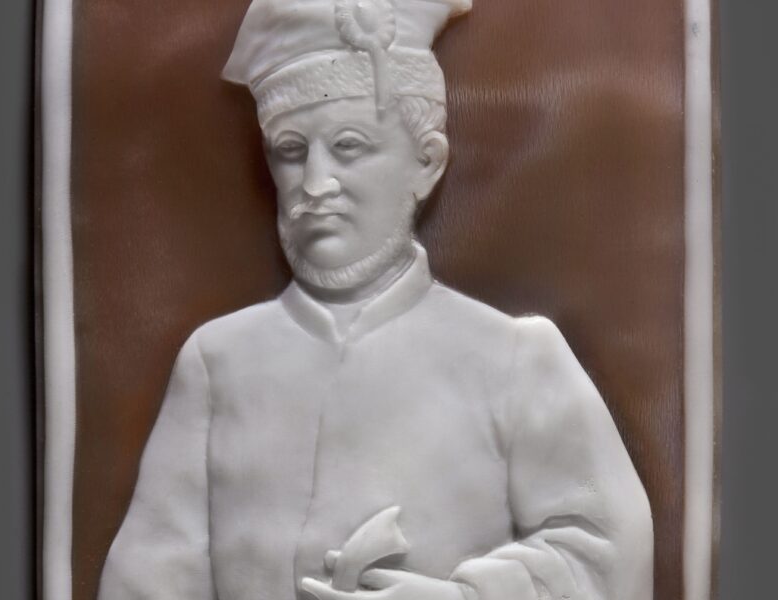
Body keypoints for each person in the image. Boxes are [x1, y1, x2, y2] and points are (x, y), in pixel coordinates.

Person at [98, 1, 653, 599]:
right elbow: (148, 577)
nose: (315, 184)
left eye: (349, 145)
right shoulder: (217, 363)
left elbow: (607, 555)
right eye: (291, 150)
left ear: (426, 163)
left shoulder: (515, 360)